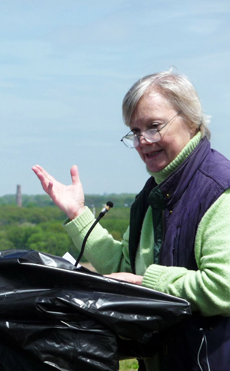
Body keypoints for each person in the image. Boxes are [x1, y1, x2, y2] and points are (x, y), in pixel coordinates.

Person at [32, 69, 230, 371]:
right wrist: (78, 215)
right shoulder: (151, 197)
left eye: (153, 127)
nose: (142, 142)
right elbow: (126, 269)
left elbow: (223, 286)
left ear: (191, 120)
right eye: (135, 132)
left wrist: (145, 283)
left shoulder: (220, 190)